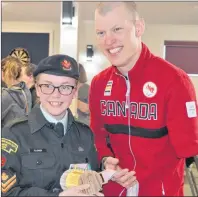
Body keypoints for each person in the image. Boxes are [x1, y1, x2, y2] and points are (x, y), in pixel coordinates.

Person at [89, 2, 198, 196]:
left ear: (138, 28)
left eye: (117, 29)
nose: (108, 41)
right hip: (113, 191)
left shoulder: (174, 80)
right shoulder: (98, 83)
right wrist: (104, 159)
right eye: (101, 33)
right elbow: (97, 136)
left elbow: (189, 147)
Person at [1, 54, 102, 196]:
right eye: (48, 86)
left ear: (74, 92)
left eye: (65, 87)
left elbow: (92, 178)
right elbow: (6, 193)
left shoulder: (85, 134)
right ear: (37, 88)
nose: (56, 95)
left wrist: (105, 170)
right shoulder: (14, 134)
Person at [1, 56, 32, 128]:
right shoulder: (25, 89)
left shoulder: (6, 95)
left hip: (8, 136)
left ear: (4, 72)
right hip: (22, 134)